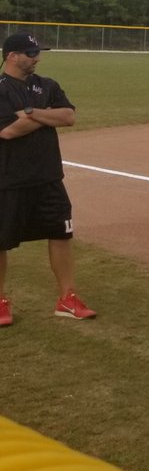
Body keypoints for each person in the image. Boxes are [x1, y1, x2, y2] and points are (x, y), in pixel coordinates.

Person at [0, 33, 97, 327]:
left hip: (49, 177)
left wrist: (30, 112)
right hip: (9, 179)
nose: (37, 57)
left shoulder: (47, 85)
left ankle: (67, 299)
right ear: (12, 55)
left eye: (37, 52)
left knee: (61, 234)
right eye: (30, 53)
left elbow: (68, 117)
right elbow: (7, 132)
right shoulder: (1, 90)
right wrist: (46, 115)